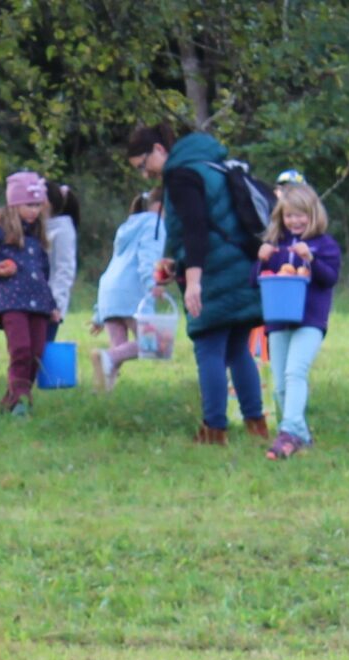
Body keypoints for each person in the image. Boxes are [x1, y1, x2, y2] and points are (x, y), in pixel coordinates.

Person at [129, 122, 267, 444]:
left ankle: (214, 429)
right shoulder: (210, 165)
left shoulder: (181, 175)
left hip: (213, 275)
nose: (145, 175)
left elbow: (196, 230)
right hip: (240, 267)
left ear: (159, 150)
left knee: (209, 349)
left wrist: (193, 281)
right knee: (237, 349)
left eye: (143, 165)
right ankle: (255, 424)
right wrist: (173, 262)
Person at [255, 182, 341, 460]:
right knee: (280, 383)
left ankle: (289, 431)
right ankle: (301, 436)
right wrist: (260, 261)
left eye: (301, 215)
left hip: (310, 320)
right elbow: (256, 281)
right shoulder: (276, 246)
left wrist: (311, 259)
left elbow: (329, 278)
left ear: (313, 214)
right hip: (278, 320)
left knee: (295, 372)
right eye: (289, 215)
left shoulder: (325, 245)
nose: (295, 221)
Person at [0, 173, 58, 418]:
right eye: (29, 204)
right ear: (14, 204)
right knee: (21, 350)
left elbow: (43, 276)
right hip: (10, 302)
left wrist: (52, 305)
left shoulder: (37, 240)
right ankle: (21, 403)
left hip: (38, 304)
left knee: (36, 353)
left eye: (38, 205)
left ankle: (9, 403)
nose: (34, 211)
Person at [94, 191, 169, 388]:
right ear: (159, 205)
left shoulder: (127, 227)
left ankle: (103, 395)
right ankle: (106, 357)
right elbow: (148, 258)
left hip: (108, 293)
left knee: (118, 352)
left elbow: (114, 264)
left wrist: (98, 312)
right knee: (152, 343)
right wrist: (153, 284)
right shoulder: (154, 224)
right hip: (131, 293)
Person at [46, 182, 81, 329]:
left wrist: (57, 304)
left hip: (50, 306)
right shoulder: (45, 229)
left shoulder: (62, 231)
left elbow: (64, 269)